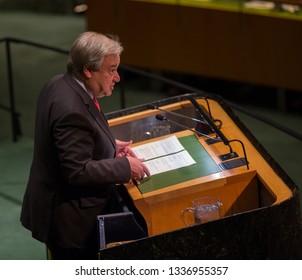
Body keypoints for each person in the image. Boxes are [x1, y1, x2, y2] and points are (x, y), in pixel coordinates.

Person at [20, 31, 150, 260]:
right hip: (72, 223)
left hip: (62, 210)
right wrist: (124, 166)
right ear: (88, 70)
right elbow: (77, 170)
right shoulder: (71, 108)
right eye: (111, 70)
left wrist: (109, 146)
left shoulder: (59, 83)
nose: (117, 77)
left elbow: (71, 143)